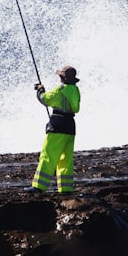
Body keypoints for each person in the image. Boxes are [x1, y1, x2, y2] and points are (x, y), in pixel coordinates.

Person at [31, 65, 81, 193]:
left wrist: (40, 90)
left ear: (62, 78)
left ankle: (39, 186)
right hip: (70, 125)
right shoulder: (75, 90)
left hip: (58, 124)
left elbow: (45, 99)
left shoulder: (61, 89)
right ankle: (65, 188)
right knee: (66, 159)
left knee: (48, 156)